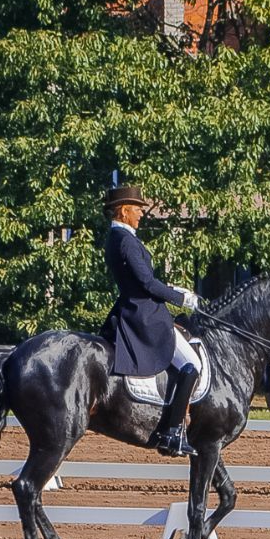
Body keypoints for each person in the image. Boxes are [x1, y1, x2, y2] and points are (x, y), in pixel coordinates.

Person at [99, 186, 201, 457]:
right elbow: (145, 283)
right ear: (124, 210)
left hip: (137, 309)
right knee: (191, 365)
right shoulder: (125, 240)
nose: (142, 213)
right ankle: (173, 432)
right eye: (138, 208)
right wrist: (180, 299)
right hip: (145, 316)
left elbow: (143, 279)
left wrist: (171, 288)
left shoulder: (117, 237)